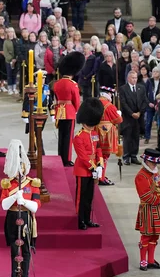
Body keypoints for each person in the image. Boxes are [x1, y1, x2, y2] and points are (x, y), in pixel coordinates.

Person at [0, 140, 40, 277]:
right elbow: (4, 205)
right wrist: (14, 197)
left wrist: (24, 201)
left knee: (25, 249)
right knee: (13, 248)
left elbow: (35, 206)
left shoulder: (32, 183)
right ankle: (13, 276)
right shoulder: (8, 183)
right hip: (11, 216)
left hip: (25, 217)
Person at [135, 148, 160, 271]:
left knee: (155, 237)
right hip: (147, 209)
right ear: (146, 161)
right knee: (146, 236)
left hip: (158, 210)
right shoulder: (141, 176)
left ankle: (151, 260)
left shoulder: (156, 174)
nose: (155, 165)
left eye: (156, 163)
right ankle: (143, 261)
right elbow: (145, 195)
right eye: (152, 163)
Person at [73, 97, 104, 230]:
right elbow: (83, 156)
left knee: (90, 197)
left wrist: (100, 164)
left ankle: (87, 218)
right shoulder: (78, 137)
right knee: (81, 197)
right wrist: (94, 168)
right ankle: (80, 220)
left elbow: (98, 149)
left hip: (94, 169)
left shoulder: (94, 133)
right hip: (82, 170)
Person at [52, 51, 83, 167]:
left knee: (61, 136)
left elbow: (56, 97)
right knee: (68, 137)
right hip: (69, 112)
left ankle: (61, 156)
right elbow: (76, 100)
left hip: (59, 111)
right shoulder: (73, 84)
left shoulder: (57, 83)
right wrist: (77, 110)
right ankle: (67, 159)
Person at [119, 71, 147, 165]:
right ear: (128, 78)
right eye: (132, 78)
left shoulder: (141, 88)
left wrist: (139, 112)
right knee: (127, 138)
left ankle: (134, 156)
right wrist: (131, 113)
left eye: (135, 78)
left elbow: (144, 101)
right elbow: (123, 103)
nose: (134, 80)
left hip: (138, 118)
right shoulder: (123, 89)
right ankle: (126, 156)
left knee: (136, 137)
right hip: (128, 117)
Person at [97, 87, 123, 185]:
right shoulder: (109, 106)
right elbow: (118, 120)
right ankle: (101, 177)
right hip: (107, 133)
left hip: (95, 131)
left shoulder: (95, 103)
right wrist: (119, 114)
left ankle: (98, 174)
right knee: (104, 155)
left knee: (97, 153)